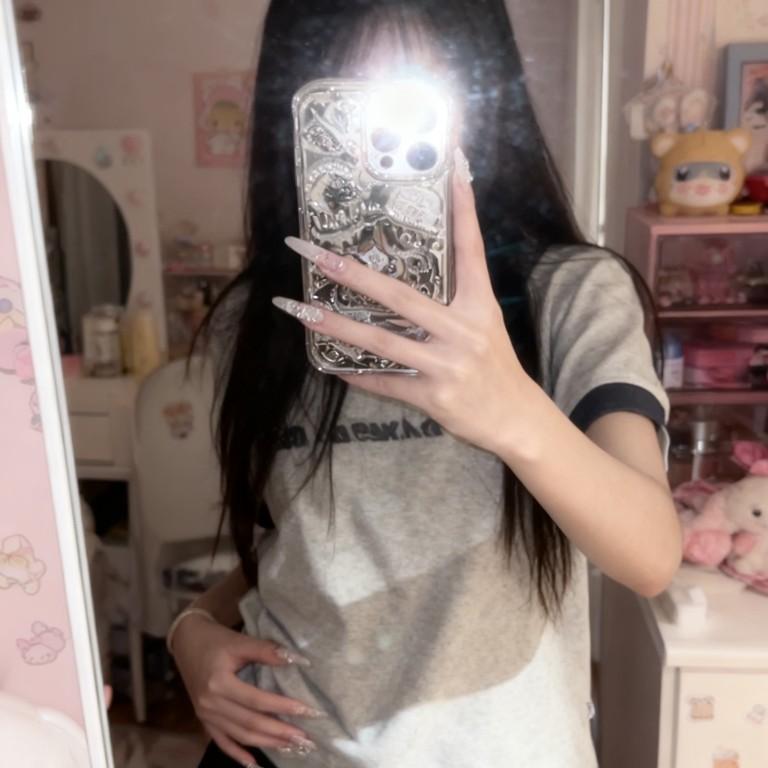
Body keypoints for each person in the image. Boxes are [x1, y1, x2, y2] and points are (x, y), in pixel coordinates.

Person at [170, 2, 682, 766]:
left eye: (414, 91)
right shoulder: (256, 317)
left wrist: (510, 408)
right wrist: (193, 629)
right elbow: (293, 542)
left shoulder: (570, 293)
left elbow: (649, 552)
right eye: (346, 91)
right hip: (290, 749)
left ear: (480, 99)